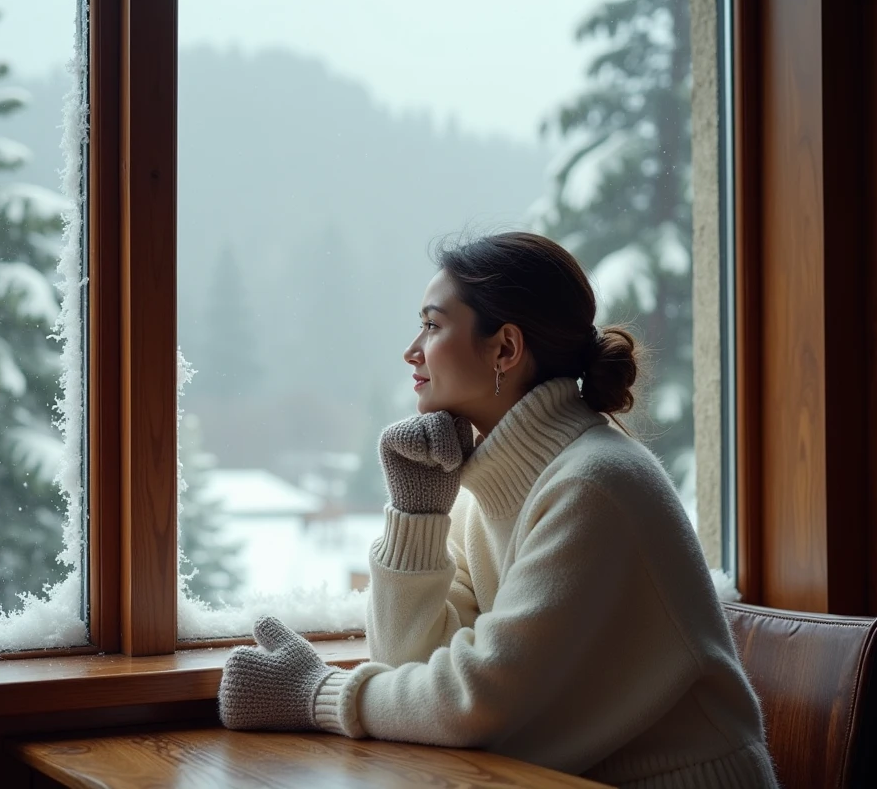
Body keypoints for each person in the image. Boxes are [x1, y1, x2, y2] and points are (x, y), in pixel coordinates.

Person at [218, 232, 779, 788]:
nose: (412, 350)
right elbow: (406, 661)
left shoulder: (595, 485)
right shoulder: (482, 495)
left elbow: (478, 702)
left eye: (433, 326)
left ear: (505, 349)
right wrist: (418, 511)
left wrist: (321, 694)